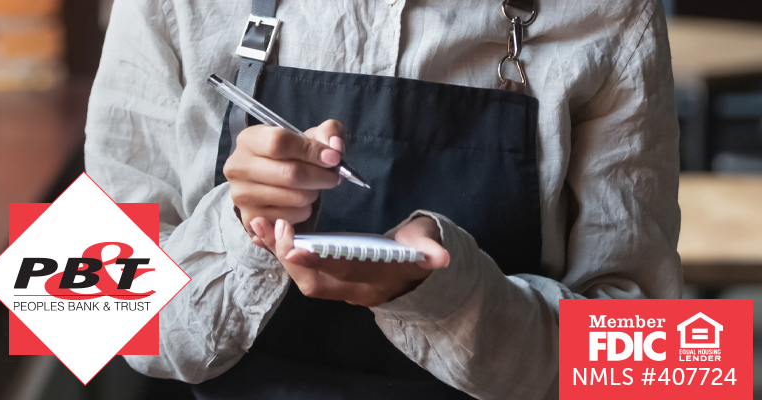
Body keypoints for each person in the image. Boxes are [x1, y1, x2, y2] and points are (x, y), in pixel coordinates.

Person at [84, 0, 682, 398]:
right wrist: (238, 227)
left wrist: (450, 299)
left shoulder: (616, 13)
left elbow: (651, 364)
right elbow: (91, 318)